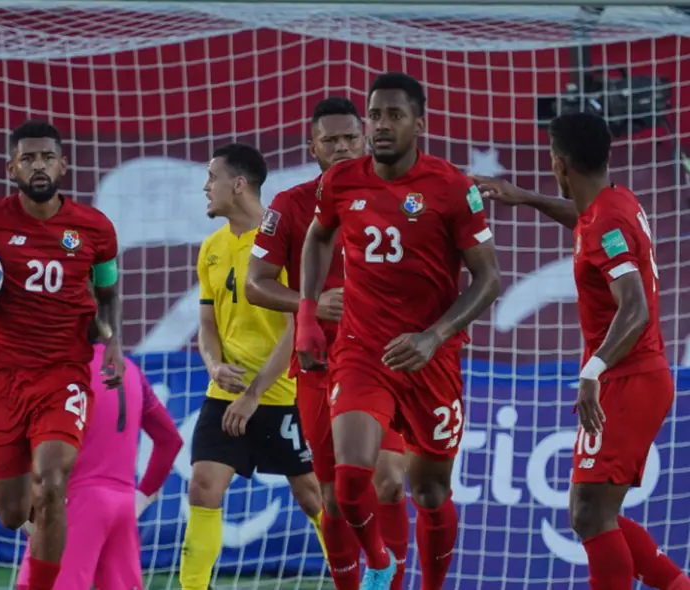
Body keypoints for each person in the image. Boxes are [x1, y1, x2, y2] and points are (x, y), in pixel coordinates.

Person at [296, 73, 502, 590]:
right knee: (349, 479)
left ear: (420, 124)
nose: (381, 125)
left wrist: (434, 335)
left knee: (430, 494)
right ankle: (380, 563)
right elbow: (319, 238)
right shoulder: (341, 181)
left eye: (394, 115)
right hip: (363, 349)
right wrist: (307, 312)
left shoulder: (454, 188)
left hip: (431, 357)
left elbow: (490, 278)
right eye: (375, 115)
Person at [473, 112, 690, 590]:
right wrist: (526, 197)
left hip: (627, 379)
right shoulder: (617, 202)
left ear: (558, 163)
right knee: (592, 513)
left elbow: (634, 307)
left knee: (589, 513)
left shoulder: (604, 223)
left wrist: (593, 369)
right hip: (637, 376)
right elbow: (587, 221)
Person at [0, 120, 125, 590]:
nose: (38, 165)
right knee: (13, 514)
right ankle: (43, 537)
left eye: (47, 157)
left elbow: (109, 293)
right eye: (28, 158)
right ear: (11, 166)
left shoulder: (95, 229)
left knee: (52, 484)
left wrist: (112, 341)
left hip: (63, 373)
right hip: (1, 376)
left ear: (63, 165)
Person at [246, 96, 410, 589]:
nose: (341, 148)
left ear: (364, 139)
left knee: (388, 481)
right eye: (330, 141)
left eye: (349, 138)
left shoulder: (399, 198)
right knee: (335, 497)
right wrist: (309, 304)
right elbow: (257, 281)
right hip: (318, 366)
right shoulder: (290, 206)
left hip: (385, 363)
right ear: (312, 147)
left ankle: (389, 578)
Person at [180, 142, 326, 590]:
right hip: (227, 392)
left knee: (313, 497)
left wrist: (255, 393)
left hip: (284, 394)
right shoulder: (211, 248)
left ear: (238, 184)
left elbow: (296, 325)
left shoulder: (283, 239)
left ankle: (358, 580)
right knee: (203, 487)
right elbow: (207, 322)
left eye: (212, 177)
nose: (205, 187)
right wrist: (213, 366)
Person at [16, 343, 183, 590]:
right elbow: (170, 441)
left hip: (75, 504)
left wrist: (30, 507)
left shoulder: (62, 369)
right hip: (123, 507)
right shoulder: (131, 372)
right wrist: (142, 496)